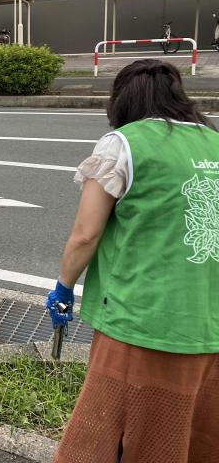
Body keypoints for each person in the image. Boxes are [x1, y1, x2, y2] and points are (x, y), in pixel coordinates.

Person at [47, 59, 219, 462]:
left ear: (123, 101)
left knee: (116, 436)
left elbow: (86, 234)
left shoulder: (122, 144)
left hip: (141, 319)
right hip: (210, 321)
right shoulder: (214, 140)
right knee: (192, 434)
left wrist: (63, 288)